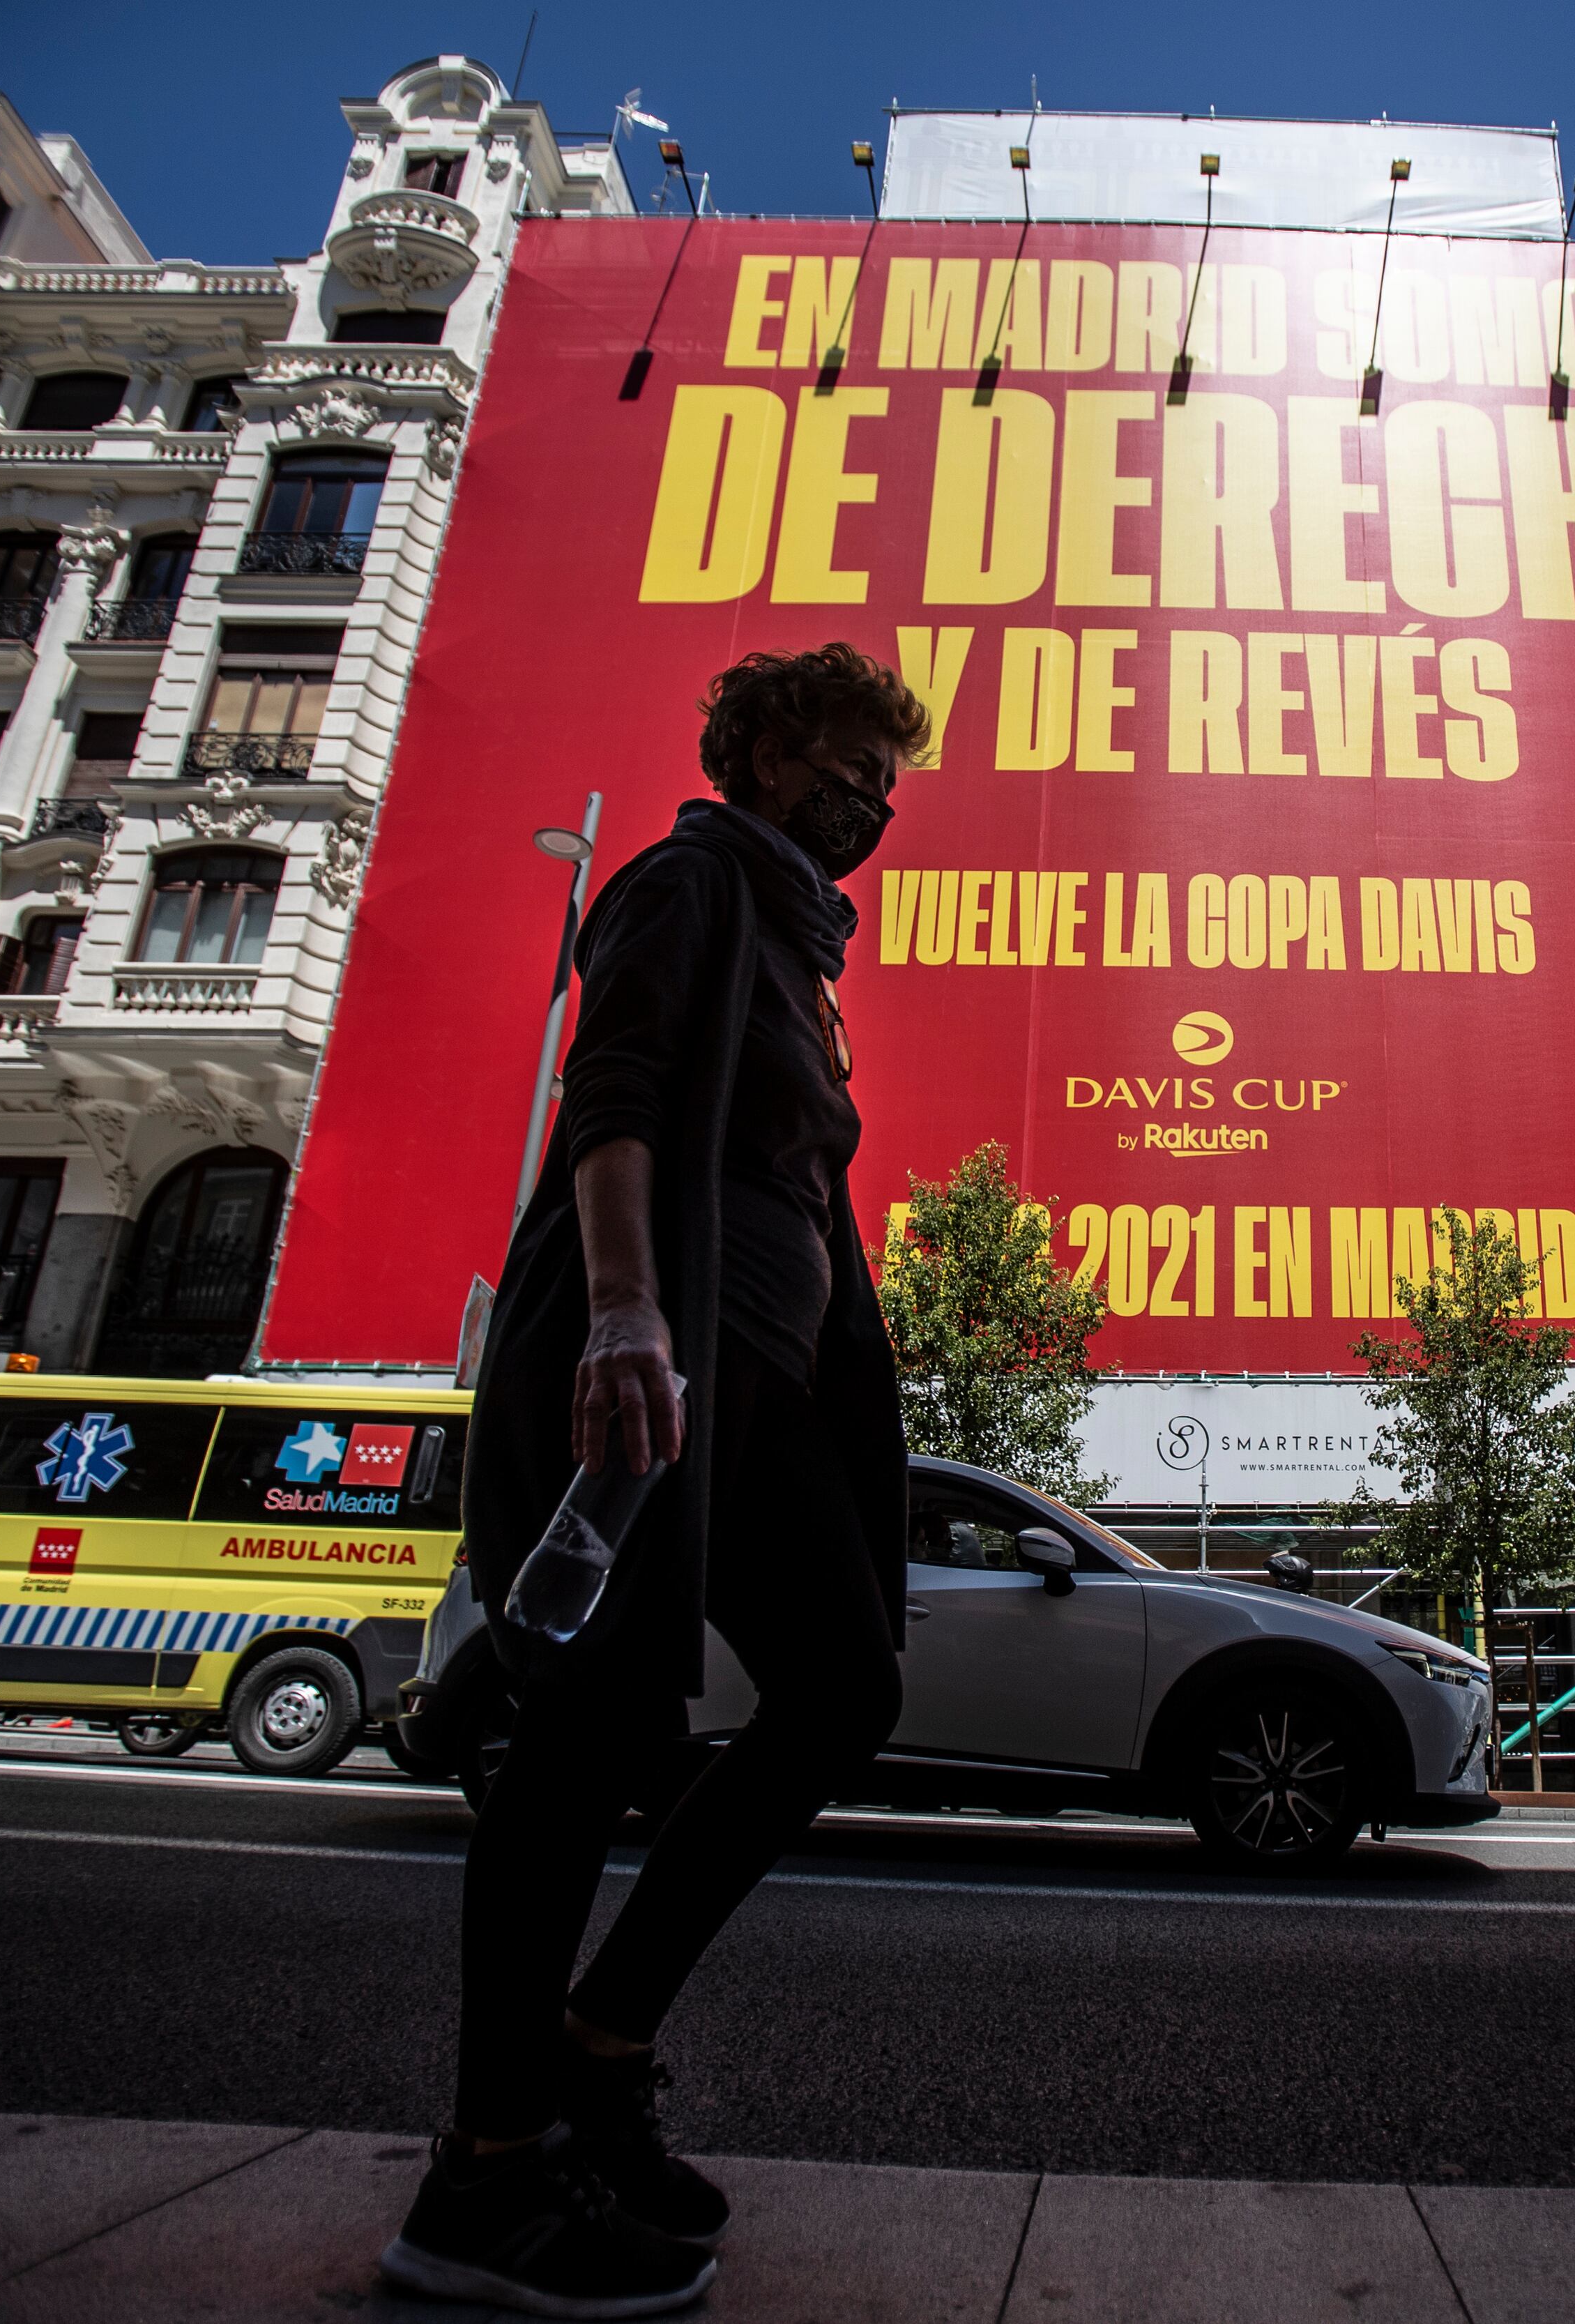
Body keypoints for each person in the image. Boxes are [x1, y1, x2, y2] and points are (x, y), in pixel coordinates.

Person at [383, 643, 929, 2316]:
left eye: (888, 788)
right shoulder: (686, 883)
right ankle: (484, 2171)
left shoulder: (796, 947)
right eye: (851, 769)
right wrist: (623, 1313)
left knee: (840, 1686)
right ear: (765, 752)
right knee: (598, 1729)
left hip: (763, 1380)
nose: (874, 809)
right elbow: (609, 1099)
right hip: (656, 1364)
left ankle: (595, 2052)